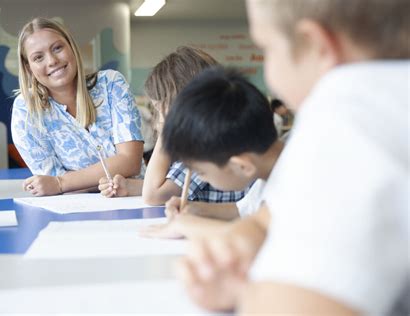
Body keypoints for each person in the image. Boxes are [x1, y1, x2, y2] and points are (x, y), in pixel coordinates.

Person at [175, 0, 409, 314]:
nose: (268, 75)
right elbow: (270, 217)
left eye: (267, 48)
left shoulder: (350, 112)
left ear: (316, 46)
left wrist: (246, 293)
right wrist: (244, 241)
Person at [140, 67, 283, 240]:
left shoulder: (300, 176)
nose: (203, 178)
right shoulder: (273, 164)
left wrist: (188, 226)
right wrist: (196, 209)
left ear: (242, 166)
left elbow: (256, 235)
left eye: (201, 172)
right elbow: (245, 209)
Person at [98, 46, 249, 205]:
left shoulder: (207, 144)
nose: (158, 119)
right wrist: (129, 187)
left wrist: (166, 129)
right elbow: (170, 186)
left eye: (160, 107)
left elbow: (153, 195)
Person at [11, 17, 144, 196]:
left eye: (57, 48)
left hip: (135, 198)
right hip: (76, 209)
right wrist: (59, 184)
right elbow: (48, 182)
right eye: (38, 57)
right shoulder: (26, 110)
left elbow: (130, 162)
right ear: (28, 68)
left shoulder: (111, 84)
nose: (51, 61)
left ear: (71, 48)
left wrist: (62, 183)